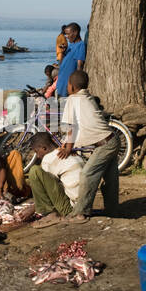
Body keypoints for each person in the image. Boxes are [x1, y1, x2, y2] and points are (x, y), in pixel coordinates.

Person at [59, 69, 118, 220]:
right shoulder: (87, 96)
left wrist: (68, 148)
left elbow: (71, 127)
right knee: (110, 178)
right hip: (112, 139)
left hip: (105, 144)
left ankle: (81, 212)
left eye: (67, 85)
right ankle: (112, 210)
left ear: (71, 87)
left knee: (87, 174)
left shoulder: (72, 99)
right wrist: (68, 144)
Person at [27, 131, 85, 224]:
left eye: (37, 152)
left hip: (73, 209)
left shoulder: (48, 160)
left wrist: (33, 208)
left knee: (35, 171)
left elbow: (48, 188)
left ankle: (50, 214)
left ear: (44, 148)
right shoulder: (70, 152)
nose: (37, 156)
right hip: (86, 204)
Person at [55, 22, 86, 97]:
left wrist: (76, 86)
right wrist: (63, 52)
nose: (66, 36)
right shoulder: (70, 45)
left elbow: (79, 65)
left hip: (68, 85)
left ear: (75, 32)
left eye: (68, 34)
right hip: (61, 83)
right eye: (66, 34)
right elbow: (61, 64)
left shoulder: (80, 45)